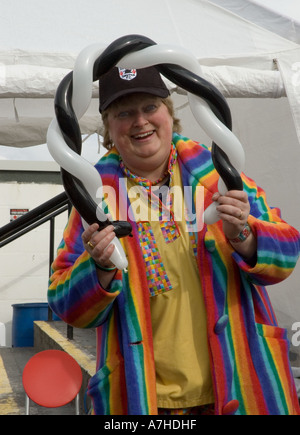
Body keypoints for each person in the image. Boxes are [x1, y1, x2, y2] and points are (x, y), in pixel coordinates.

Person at [48, 66, 300, 415]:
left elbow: (287, 253)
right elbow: (65, 302)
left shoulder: (216, 173)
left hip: (239, 386)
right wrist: (99, 268)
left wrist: (244, 235)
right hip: (145, 400)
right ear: (109, 127)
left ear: (169, 112)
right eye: (124, 112)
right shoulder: (95, 195)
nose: (140, 121)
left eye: (150, 107)